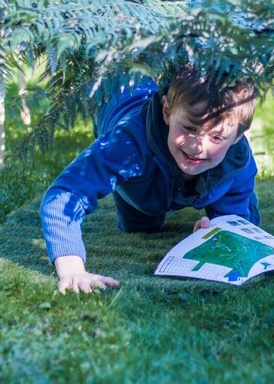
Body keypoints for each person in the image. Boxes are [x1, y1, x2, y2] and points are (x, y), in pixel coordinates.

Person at [40, 67, 260, 294]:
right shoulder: (126, 143)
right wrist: (72, 269)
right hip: (125, 112)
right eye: (188, 128)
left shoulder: (237, 159)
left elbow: (239, 223)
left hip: (204, 172)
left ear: (238, 136)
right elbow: (66, 194)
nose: (197, 146)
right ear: (166, 111)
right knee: (142, 225)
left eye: (216, 137)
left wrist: (218, 230)